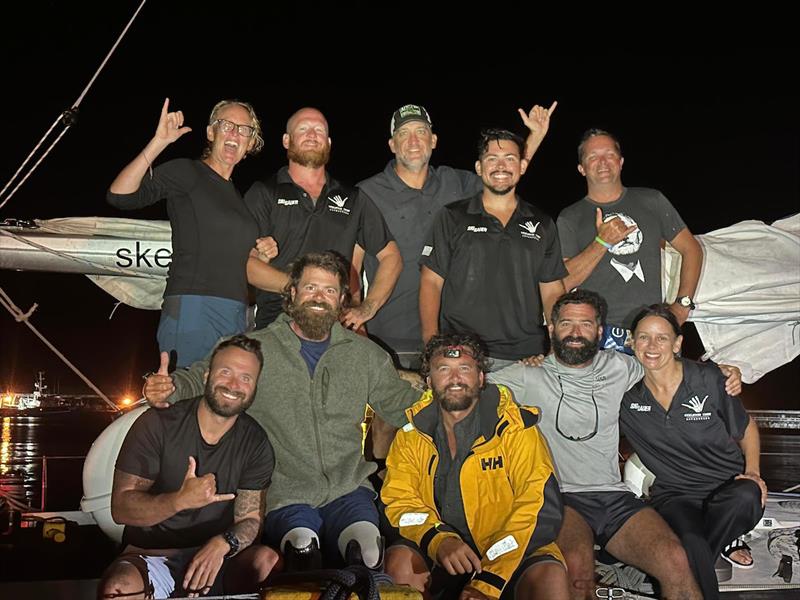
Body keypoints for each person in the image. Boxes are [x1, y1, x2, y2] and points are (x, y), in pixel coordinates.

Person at [143, 251, 420, 572]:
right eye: (310, 287)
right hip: (285, 492)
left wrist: (454, 408)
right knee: (302, 552)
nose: (319, 297)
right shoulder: (254, 347)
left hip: (349, 487)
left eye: (329, 290)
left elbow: (406, 407)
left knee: (368, 552)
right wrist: (169, 387)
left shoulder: (366, 355)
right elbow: (203, 376)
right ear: (292, 293)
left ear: (342, 298)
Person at [486, 290, 738, 599]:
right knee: (578, 572)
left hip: (611, 494)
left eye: (586, 324)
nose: (576, 333)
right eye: (566, 324)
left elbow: (669, 366)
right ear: (551, 330)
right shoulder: (527, 374)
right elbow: (467, 384)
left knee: (675, 559)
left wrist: (721, 372)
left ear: (600, 331)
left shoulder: (622, 367)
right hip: (558, 497)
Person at [357, 102, 557, 370]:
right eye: (404, 133)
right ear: (392, 144)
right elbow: (351, 265)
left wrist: (536, 136)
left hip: (453, 341)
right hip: (388, 338)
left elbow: (502, 175)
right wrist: (356, 327)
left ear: (434, 140)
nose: (414, 140)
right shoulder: (367, 193)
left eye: (421, 131)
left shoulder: (457, 184)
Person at [381, 333, 568, 600]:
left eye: (465, 369)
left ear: (480, 378)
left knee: (550, 578)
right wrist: (438, 539)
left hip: (508, 548)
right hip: (442, 549)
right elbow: (399, 503)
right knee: (399, 562)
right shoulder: (411, 435)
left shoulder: (515, 429)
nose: (455, 378)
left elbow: (538, 509)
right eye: (443, 369)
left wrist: (489, 579)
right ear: (429, 381)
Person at [98, 335, 278, 599]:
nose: (234, 384)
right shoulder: (157, 424)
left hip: (214, 558)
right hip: (151, 556)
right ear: (206, 376)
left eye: (246, 378)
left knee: (267, 561)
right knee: (118, 589)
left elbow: (249, 520)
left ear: (254, 388)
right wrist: (180, 500)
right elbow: (121, 508)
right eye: (225, 372)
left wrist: (224, 543)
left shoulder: (256, 442)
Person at [619, 304, 765, 599]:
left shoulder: (708, 379)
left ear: (677, 343)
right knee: (692, 545)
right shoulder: (622, 392)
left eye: (662, 338)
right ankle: (722, 543)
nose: (652, 346)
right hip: (676, 494)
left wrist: (752, 472)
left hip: (728, 487)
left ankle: (694, 555)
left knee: (748, 494)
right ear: (632, 342)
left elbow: (746, 427)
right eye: (644, 337)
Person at [108, 98, 264, 367]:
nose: (234, 134)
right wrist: (159, 142)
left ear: (250, 144)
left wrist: (261, 248)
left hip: (236, 311)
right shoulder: (188, 172)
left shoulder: (237, 197)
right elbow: (120, 196)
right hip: (194, 306)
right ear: (210, 132)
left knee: (222, 402)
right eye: (226, 125)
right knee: (186, 399)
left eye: (244, 130)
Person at [419, 128, 566, 370]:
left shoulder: (542, 223)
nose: (501, 166)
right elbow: (430, 282)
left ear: (522, 166)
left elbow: (551, 292)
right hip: (463, 355)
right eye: (492, 159)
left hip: (527, 357)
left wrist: (555, 347)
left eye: (509, 159)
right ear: (479, 168)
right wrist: (432, 346)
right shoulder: (452, 216)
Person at [244, 107, 401, 331]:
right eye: (303, 129)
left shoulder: (352, 198)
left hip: (335, 328)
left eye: (319, 130)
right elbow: (246, 265)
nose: (312, 134)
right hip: (278, 325)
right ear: (286, 140)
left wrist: (367, 308)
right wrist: (302, 289)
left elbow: (391, 257)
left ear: (328, 142)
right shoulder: (264, 193)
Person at [556, 128, 703, 352]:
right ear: (581, 168)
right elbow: (563, 284)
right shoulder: (570, 217)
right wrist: (602, 242)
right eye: (592, 157)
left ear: (621, 161)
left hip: (653, 329)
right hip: (598, 335)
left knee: (664, 389)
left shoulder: (652, 201)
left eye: (609, 154)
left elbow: (692, 249)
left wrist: (682, 306)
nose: (603, 162)